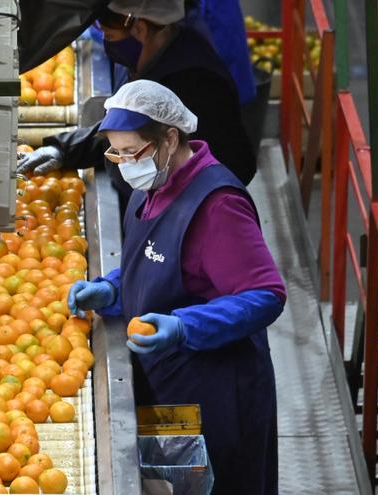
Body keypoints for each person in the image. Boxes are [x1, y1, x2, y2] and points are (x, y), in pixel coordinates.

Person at [67, 80, 285, 494]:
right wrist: (114, 289)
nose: (124, 163)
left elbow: (266, 294)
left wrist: (185, 326)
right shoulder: (149, 187)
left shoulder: (217, 204)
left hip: (219, 392)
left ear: (170, 138)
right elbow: (162, 260)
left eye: (133, 152)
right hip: (172, 385)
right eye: (116, 152)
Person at [18, 0, 256, 216]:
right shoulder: (151, 57)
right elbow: (127, 124)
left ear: (140, 29)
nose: (109, 44)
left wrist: (179, 215)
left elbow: (235, 162)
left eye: (110, 37)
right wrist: (64, 150)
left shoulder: (192, 83)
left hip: (183, 216)